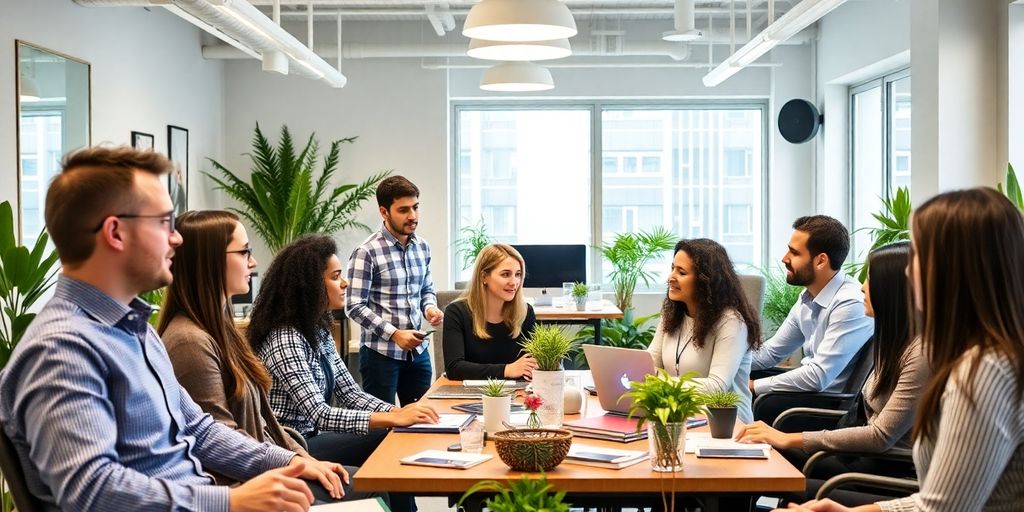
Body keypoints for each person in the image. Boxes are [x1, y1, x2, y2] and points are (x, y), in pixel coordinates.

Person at [0, 146, 325, 511]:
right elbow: (92, 492)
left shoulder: (135, 330)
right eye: (163, 222)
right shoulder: (62, 349)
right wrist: (230, 501)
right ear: (116, 233)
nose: (177, 238)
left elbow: (198, 430)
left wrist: (288, 463)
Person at [777, 187, 1024, 512]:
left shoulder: (984, 369)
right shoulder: (971, 354)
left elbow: (942, 509)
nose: (908, 271)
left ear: (955, 268)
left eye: (919, 255)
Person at [158, 210, 367, 503]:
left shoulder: (223, 332)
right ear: (210, 262)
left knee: (363, 480)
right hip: (244, 486)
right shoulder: (189, 342)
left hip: (267, 466)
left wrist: (303, 460)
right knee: (367, 485)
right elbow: (216, 439)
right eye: (244, 252)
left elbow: (263, 425)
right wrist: (294, 463)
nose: (253, 262)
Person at [251, 235, 438, 512]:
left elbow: (350, 393)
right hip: (294, 446)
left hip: (314, 436)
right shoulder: (286, 338)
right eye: (336, 276)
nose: (345, 283)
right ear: (311, 285)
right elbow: (321, 413)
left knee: (395, 431)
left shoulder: (316, 330)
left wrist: (397, 413)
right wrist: (392, 416)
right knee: (388, 437)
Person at [737, 241, 926, 494]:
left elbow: (880, 436)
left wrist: (789, 438)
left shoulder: (920, 353)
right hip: (860, 451)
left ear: (892, 290)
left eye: (870, 279)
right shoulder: (894, 339)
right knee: (754, 454)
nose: (862, 287)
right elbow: (771, 352)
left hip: (884, 467)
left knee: (762, 464)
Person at [750, 215, 874, 396]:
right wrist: (723, 363)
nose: (785, 259)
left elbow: (818, 376)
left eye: (794, 253)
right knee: (737, 377)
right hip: (807, 394)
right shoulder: (808, 297)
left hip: (822, 406)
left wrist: (753, 386)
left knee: (741, 395)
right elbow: (770, 353)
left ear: (821, 261)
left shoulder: (850, 303)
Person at [346, 175, 442, 405]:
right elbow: (353, 306)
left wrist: (429, 308)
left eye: (416, 207)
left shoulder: (422, 247)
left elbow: (426, 289)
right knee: (381, 429)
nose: (413, 216)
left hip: (418, 354)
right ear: (384, 212)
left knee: (422, 420)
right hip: (380, 355)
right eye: (404, 210)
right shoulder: (366, 252)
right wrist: (395, 334)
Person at [646, 239, 762, 423]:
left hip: (725, 426)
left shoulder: (731, 321)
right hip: (678, 417)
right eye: (672, 268)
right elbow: (649, 364)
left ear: (705, 281)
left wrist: (660, 383)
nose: (671, 277)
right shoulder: (672, 313)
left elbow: (716, 387)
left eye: (681, 272)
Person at [442, 243, 538, 380]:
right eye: (505, 274)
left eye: (518, 274)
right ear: (483, 277)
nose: (514, 282)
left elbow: (533, 361)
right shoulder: (456, 312)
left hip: (516, 394)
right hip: (469, 395)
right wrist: (507, 370)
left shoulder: (525, 312)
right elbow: (454, 368)